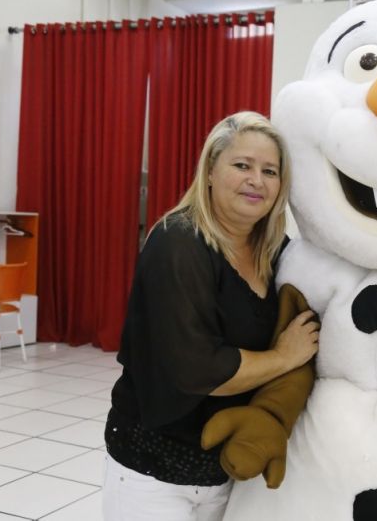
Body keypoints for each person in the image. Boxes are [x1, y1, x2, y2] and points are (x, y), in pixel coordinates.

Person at [102, 111, 320, 521]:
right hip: (155, 467)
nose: (257, 180)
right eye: (242, 165)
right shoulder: (177, 244)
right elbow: (197, 370)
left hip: (229, 469)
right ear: (209, 172)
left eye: (269, 170)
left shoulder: (276, 251)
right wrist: (283, 358)